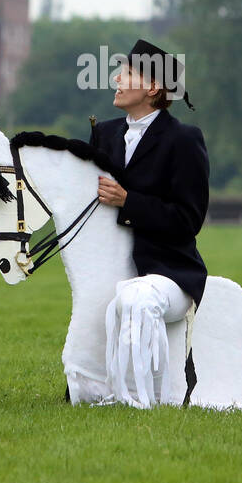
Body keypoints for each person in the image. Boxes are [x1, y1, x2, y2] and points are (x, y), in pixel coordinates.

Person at [88, 39, 208, 407]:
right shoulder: (103, 133)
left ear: (153, 87)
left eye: (126, 73)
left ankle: (141, 401)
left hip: (170, 272)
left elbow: (188, 221)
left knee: (136, 301)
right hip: (113, 268)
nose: (116, 79)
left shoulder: (184, 140)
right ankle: (94, 392)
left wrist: (129, 202)